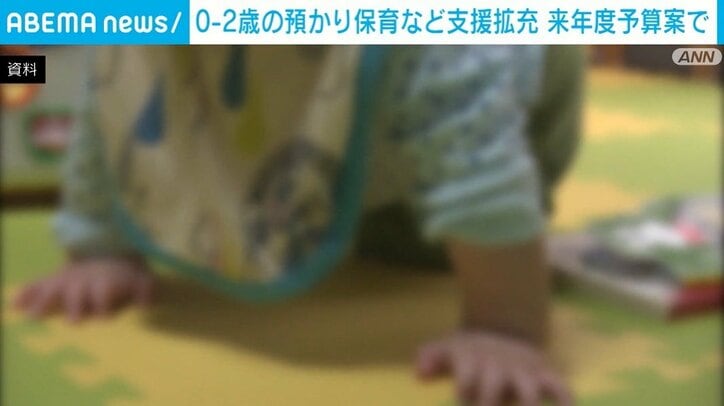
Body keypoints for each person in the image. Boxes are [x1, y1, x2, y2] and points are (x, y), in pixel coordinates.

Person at [14, 45, 584, 405]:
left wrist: (503, 328)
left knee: (427, 242)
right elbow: (114, 100)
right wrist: (101, 245)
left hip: (507, 101)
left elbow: (479, 161)